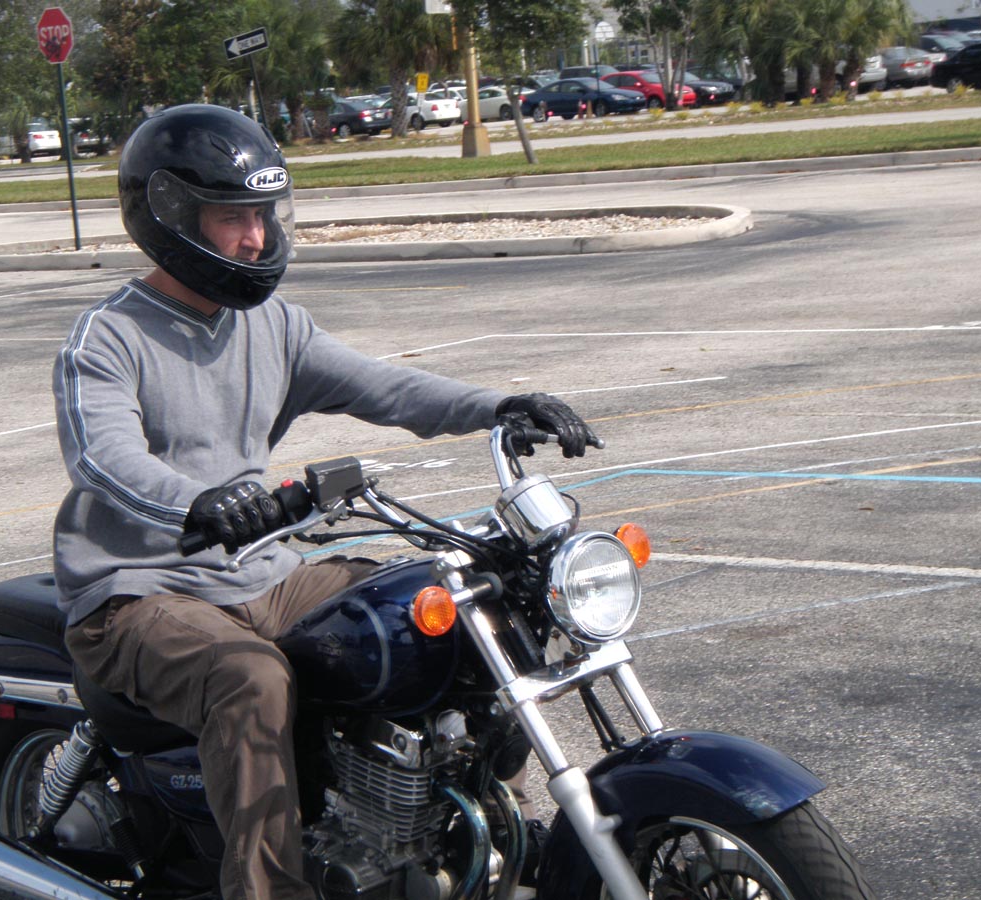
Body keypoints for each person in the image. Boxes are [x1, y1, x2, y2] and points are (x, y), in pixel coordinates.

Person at [52, 103, 598, 900]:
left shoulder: (275, 326)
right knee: (250, 678)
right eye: (233, 219)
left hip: (259, 572)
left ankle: (475, 828)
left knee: (449, 610)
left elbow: (388, 387)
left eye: (264, 217)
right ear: (171, 217)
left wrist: (502, 405)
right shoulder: (108, 338)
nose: (256, 239)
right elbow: (107, 460)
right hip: (137, 590)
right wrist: (204, 505)